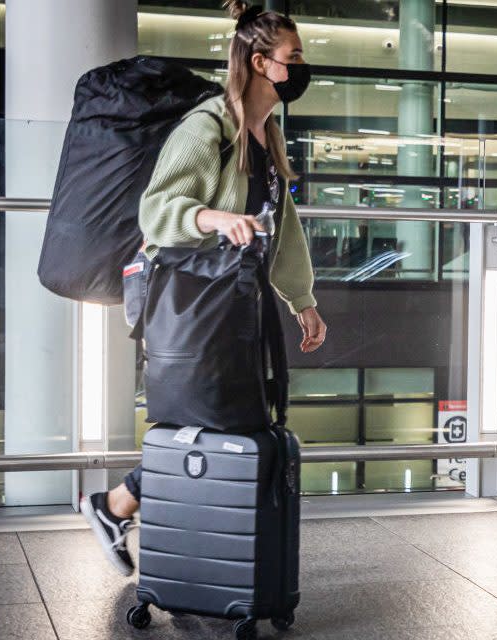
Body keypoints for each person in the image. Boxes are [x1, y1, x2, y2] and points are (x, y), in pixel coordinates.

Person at [80, 1, 326, 576]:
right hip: (191, 306)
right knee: (219, 418)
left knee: (239, 420)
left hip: (235, 302)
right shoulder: (208, 125)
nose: (302, 67)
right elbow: (158, 210)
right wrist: (215, 218)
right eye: (295, 57)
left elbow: (281, 230)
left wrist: (303, 301)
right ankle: (124, 508)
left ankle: (178, 533)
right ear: (263, 63)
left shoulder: (268, 134)